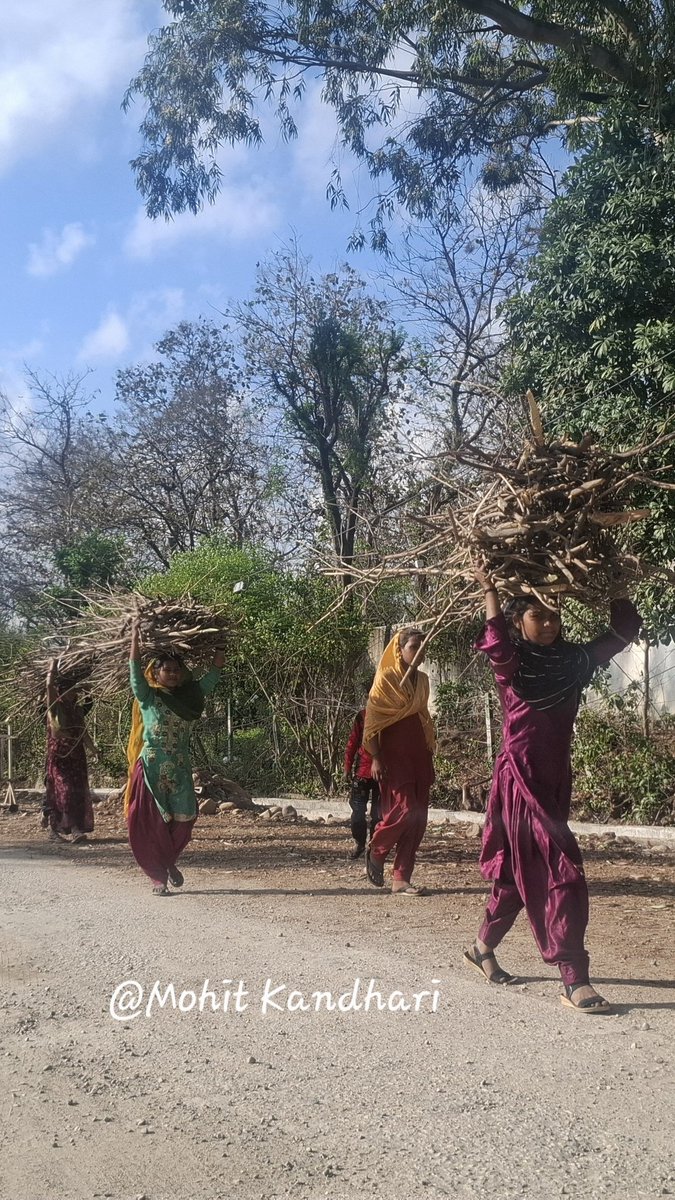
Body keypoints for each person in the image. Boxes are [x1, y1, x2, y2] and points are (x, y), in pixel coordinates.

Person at [465, 566, 641, 1014]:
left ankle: (482, 947)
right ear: (518, 620)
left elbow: (623, 631)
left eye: (554, 616)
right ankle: (573, 976)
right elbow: (496, 644)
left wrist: (615, 585)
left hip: (555, 780)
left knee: (516, 875)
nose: (548, 624)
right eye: (537, 616)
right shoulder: (514, 666)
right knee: (564, 872)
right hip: (520, 783)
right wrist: (489, 590)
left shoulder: (573, 662)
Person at [126, 618, 224, 896]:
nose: (171, 674)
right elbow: (134, 670)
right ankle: (158, 877)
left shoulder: (190, 696)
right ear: (155, 673)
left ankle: (168, 861)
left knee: (184, 820)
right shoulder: (147, 696)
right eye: (166, 670)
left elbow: (214, 674)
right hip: (151, 768)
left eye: (176, 670)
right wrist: (135, 636)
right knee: (152, 822)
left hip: (180, 768)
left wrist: (220, 643)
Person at [362, 627, 435, 895]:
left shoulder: (423, 680)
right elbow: (373, 721)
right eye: (414, 647)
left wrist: (429, 751)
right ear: (399, 650)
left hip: (419, 752)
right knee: (405, 809)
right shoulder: (387, 678)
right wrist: (376, 757)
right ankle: (377, 849)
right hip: (393, 754)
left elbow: (422, 716)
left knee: (419, 818)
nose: (420, 652)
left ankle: (401, 878)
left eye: (423, 647)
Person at [43, 659, 96, 843]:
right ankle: (68, 829)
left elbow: (83, 733)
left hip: (77, 757)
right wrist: (52, 668)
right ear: (61, 692)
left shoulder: (77, 710)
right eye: (69, 690)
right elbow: (49, 686)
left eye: (74, 691)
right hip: (60, 757)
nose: (72, 694)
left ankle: (72, 829)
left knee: (77, 792)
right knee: (63, 791)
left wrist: (94, 750)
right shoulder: (54, 708)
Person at [343, 706, 380, 859]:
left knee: (379, 814)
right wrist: (347, 766)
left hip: (383, 773)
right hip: (362, 772)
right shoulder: (362, 716)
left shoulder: (391, 714)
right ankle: (359, 843)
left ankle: (374, 847)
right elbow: (352, 741)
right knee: (358, 813)